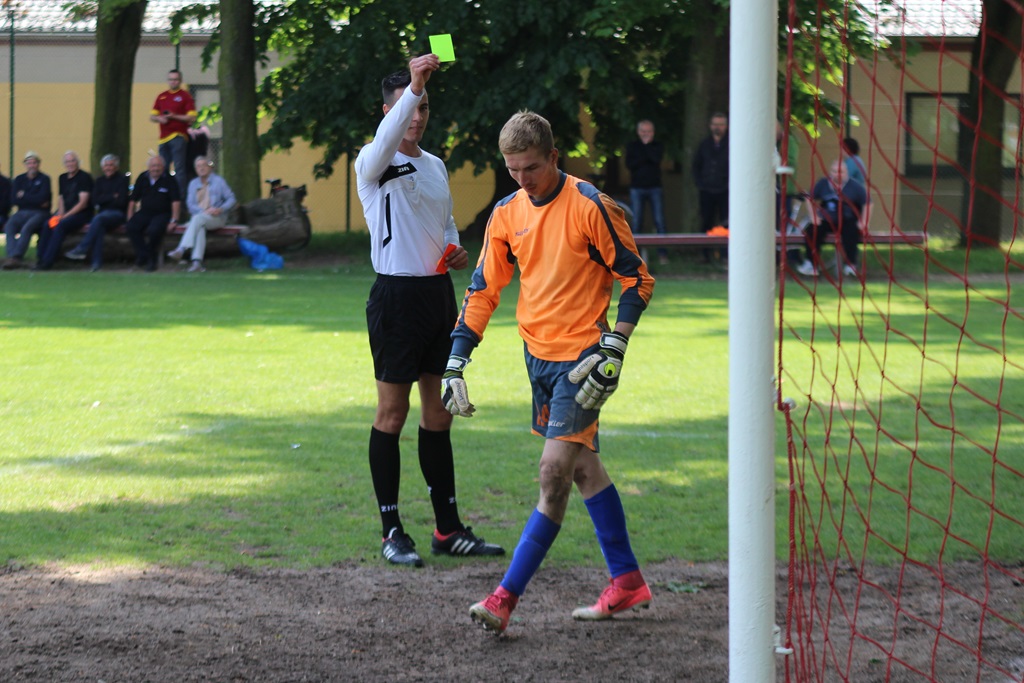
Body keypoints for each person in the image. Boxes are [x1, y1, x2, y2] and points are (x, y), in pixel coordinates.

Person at [443, 110, 656, 635]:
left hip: (582, 360)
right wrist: (455, 359)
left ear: (554, 157)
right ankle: (627, 581)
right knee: (581, 470)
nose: (523, 179)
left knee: (552, 472)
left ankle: (503, 598)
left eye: (532, 168)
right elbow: (483, 289)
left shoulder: (590, 205)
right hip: (535, 358)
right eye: (513, 170)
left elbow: (637, 279)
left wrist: (615, 347)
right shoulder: (506, 213)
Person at [354, 54, 505, 567]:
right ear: (387, 110)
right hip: (395, 299)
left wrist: (455, 249)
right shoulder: (371, 160)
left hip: (437, 295)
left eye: (422, 108)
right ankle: (392, 530)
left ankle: (447, 529)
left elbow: (444, 227)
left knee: (439, 414)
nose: (416, 116)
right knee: (392, 414)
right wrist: (414, 86)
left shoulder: (436, 165)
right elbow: (391, 131)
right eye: (406, 108)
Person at [796, 158, 869, 278]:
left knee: (852, 230)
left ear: (846, 173)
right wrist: (814, 216)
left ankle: (851, 265)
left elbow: (868, 202)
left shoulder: (854, 186)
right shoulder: (823, 184)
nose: (838, 174)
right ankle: (811, 264)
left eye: (841, 171)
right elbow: (809, 197)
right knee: (812, 230)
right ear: (831, 172)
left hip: (846, 219)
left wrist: (864, 222)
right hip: (827, 220)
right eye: (835, 171)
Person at [167, 156, 237, 273]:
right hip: (200, 218)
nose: (201, 168)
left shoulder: (219, 181)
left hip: (217, 218)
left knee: (197, 219)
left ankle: (182, 248)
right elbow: (190, 204)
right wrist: (203, 212)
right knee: (199, 224)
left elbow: (231, 199)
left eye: (204, 165)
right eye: (198, 166)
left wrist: (220, 209)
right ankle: (197, 263)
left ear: (209, 167)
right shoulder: (193, 184)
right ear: (195, 169)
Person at [65, 154, 131, 271]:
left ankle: (82, 248)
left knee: (98, 219)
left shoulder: (122, 180)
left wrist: (104, 198)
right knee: (99, 225)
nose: (108, 168)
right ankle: (96, 263)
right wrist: (112, 196)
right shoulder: (99, 181)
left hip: (117, 215)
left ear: (116, 167)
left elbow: (121, 202)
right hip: (102, 216)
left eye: (111, 165)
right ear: (102, 167)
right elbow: (95, 201)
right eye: (106, 165)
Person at [35, 151, 94, 271]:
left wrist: (65, 216)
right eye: (67, 161)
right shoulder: (62, 178)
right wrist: (60, 214)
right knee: (48, 224)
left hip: (82, 214)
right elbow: (61, 198)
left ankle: (48, 261)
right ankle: (40, 258)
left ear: (77, 163)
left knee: (60, 226)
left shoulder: (84, 177)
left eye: (72, 161)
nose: (70, 164)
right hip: (65, 214)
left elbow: (83, 203)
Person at [126, 155, 181, 272]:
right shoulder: (142, 177)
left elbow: (175, 201)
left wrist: (174, 220)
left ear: (163, 167)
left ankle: (151, 259)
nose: (155, 168)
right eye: (153, 166)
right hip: (145, 212)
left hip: (163, 213)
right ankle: (144, 255)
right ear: (149, 167)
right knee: (131, 226)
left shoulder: (170, 179)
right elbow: (133, 199)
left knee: (154, 230)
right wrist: (130, 216)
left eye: (158, 166)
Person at [625, 119, 668, 264]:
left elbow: (656, 159)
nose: (646, 134)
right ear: (638, 132)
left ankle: (663, 255)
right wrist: (646, 154)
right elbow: (630, 164)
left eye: (648, 131)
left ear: (653, 133)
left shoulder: (658, 146)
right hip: (637, 187)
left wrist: (645, 150)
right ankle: (635, 255)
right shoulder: (632, 146)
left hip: (655, 187)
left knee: (659, 221)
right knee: (636, 221)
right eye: (643, 131)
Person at [150, 69, 197, 200]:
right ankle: (163, 197)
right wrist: (160, 119)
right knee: (162, 169)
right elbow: (152, 116)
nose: (173, 82)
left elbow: (191, 117)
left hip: (178, 136)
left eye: (175, 79)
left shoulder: (185, 96)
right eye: (170, 79)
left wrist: (174, 116)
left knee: (179, 169)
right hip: (163, 138)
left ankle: (179, 200)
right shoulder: (162, 96)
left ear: (180, 80)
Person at [2, 151, 51, 270]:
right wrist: (35, 199)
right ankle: (11, 256)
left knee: (27, 227)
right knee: (9, 225)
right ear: (25, 165)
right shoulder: (19, 179)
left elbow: (44, 199)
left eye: (34, 163)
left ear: (38, 164)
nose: (31, 165)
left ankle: (16, 257)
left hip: (40, 213)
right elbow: (14, 200)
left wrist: (24, 195)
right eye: (29, 163)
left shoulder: (44, 179)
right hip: (22, 212)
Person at [692, 112, 729, 262]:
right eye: (715, 124)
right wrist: (700, 184)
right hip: (707, 190)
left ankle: (726, 255)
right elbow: (696, 166)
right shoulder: (704, 145)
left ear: (726, 126)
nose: (717, 127)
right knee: (706, 221)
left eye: (720, 124)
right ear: (710, 126)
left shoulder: (732, 144)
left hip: (725, 191)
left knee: (726, 222)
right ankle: (705, 254)